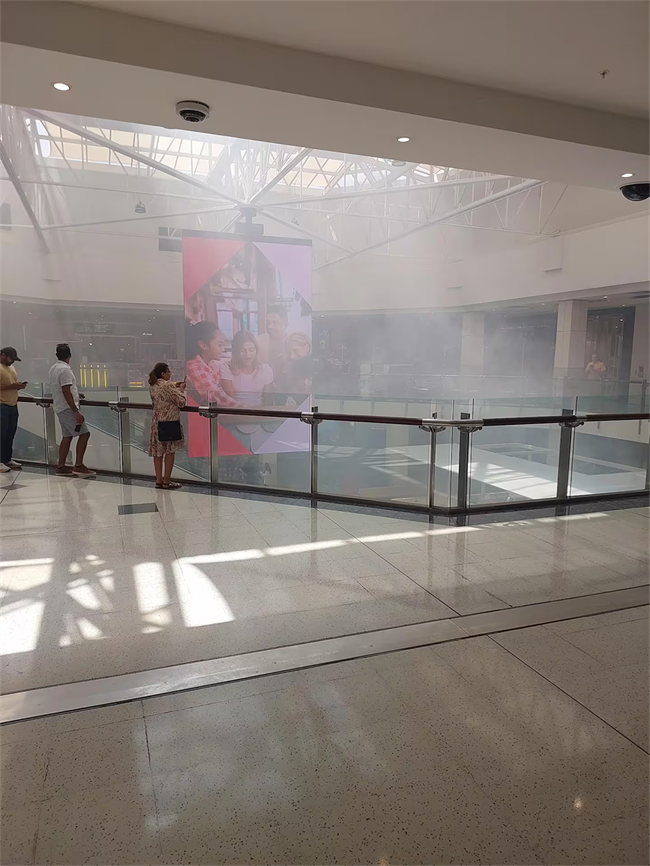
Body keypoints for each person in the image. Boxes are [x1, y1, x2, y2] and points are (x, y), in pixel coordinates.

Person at [49, 343, 95, 477]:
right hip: (67, 409)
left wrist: (76, 394)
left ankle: (61, 466)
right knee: (85, 434)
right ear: (69, 356)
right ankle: (79, 465)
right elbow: (65, 391)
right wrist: (76, 411)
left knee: (67, 436)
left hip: (59, 407)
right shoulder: (65, 370)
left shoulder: (53, 368)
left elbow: (64, 389)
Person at [148, 362, 186, 490]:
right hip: (170, 422)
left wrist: (175, 385)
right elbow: (181, 402)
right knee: (170, 452)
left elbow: (163, 392)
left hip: (157, 422)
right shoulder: (168, 385)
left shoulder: (153, 385)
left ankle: (159, 480)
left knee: (158, 452)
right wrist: (181, 389)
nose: (171, 373)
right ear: (163, 374)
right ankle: (167, 481)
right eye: (169, 372)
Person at [185, 321, 239, 406]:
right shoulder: (195, 367)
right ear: (203, 345)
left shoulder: (211, 364)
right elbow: (216, 395)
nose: (223, 349)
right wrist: (242, 408)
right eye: (220, 345)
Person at [220, 330, 274, 407]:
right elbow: (231, 400)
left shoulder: (265, 369)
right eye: (242, 350)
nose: (247, 355)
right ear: (236, 352)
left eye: (251, 350)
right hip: (236, 411)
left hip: (259, 411)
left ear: (256, 350)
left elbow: (268, 401)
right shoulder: (226, 368)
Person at [0, 346, 28, 473]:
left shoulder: (11, 368)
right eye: (11, 359)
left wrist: (17, 386)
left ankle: (7, 458)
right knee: (1, 435)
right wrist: (11, 386)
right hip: (1, 405)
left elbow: (10, 383)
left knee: (10, 434)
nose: (12, 362)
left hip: (12, 404)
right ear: (3, 355)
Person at [257, 304, 289, 390]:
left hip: (287, 391)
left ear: (285, 323)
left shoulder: (293, 343)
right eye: (268, 322)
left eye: (275, 322)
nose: (270, 326)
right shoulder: (259, 341)